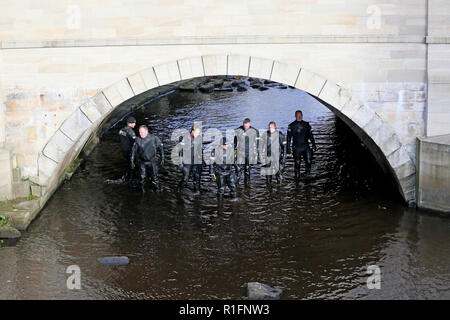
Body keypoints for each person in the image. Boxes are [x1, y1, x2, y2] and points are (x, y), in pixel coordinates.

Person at [130, 125, 164, 193]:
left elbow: (160, 148)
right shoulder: (137, 139)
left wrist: (162, 158)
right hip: (143, 162)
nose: (140, 134)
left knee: (155, 178)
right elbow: (133, 151)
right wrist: (132, 160)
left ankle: (158, 191)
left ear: (146, 131)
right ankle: (143, 192)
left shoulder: (154, 138)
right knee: (142, 178)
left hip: (152, 161)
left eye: (142, 132)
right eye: (139, 132)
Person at [287, 110, 317, 180]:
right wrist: (288, 148)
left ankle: (307, 175)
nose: (299, 117)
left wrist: (314, 144)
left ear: (302, 115)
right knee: (297, 163)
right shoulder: (291, 126)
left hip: (306, 146)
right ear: (295, 116)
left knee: (309, 161)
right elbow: (288, 138)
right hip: (296, 147)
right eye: (298, 115)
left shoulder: (306, 124)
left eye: (300, 115)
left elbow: (310, 136)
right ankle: (297, 179)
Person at [177, 125, 203, 194]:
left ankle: (197, 192)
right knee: (185, 178)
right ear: (192, 131)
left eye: (199, 133)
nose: (198, 134)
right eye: (197, 132)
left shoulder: (199, 138)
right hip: (187, 162)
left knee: (197, 177)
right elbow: (180, 151)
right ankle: (178, 189)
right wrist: (180, 162)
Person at [234, 118, 260, 183]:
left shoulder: (255, 131)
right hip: (240, 153)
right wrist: (234, 151)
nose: (245, 126)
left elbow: (257, 144)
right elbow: (235, 142)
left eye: (246, 125)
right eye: (244, 125)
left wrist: (257, 154)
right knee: (238, 170)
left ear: (249, 124)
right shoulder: (238, 130)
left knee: (247, 170)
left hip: (249, 153)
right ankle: (236, 185)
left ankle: (247, 185)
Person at [118, 116, 137, 182]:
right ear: (131, 123)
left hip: (124, 151)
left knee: (128, 163)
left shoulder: (121, 130)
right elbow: (135, 142)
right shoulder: (131, 132)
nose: (135, 124)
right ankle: (130, 179)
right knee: (132, 165)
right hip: (130, 151)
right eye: (134, 123)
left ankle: (125, 177)